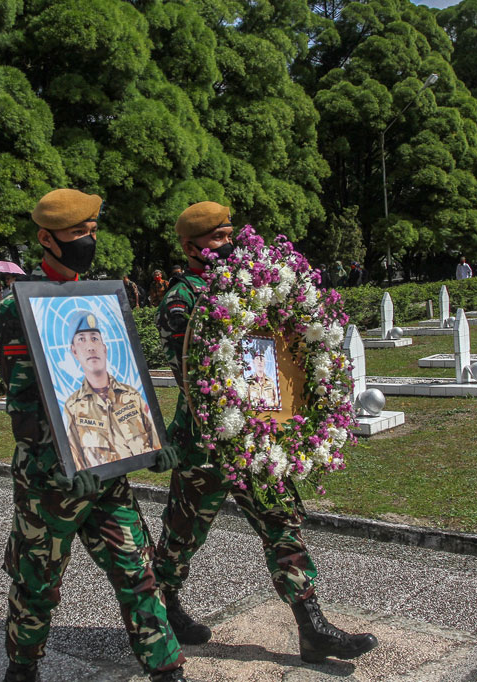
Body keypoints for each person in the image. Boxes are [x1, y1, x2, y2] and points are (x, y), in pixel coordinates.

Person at [153, 200, 378, 664]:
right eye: (216, 238)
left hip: (258, 439)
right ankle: (165, 605)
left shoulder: (252, 284)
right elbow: (193, 375)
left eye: (229, 233)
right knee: (183, 533)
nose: (227, 243)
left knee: (282, 522)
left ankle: (311, 626)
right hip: (205, 444)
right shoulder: (182, 299)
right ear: (191, 245)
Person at [0, 188, 187, 682]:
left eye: (92, 230)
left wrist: (151, 440)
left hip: (107, 473)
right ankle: (22, 669)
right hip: (50, 481)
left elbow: (125, 379)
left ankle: (167, 670)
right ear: (46, 238)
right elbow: (23, 407)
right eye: (78, 232)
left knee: (138, 575)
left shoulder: (100, 297)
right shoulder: (19, 306)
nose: (88, 239)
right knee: (37, 584)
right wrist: (62, 458)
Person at [63, 310, 161, 470]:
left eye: (95, 339)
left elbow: (156, 444)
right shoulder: (73, 407)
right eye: (82, 340)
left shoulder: (132, 396)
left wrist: (159, 459)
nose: (90, 347)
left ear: (104, 348)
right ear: (74, 351)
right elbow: (76, 462)